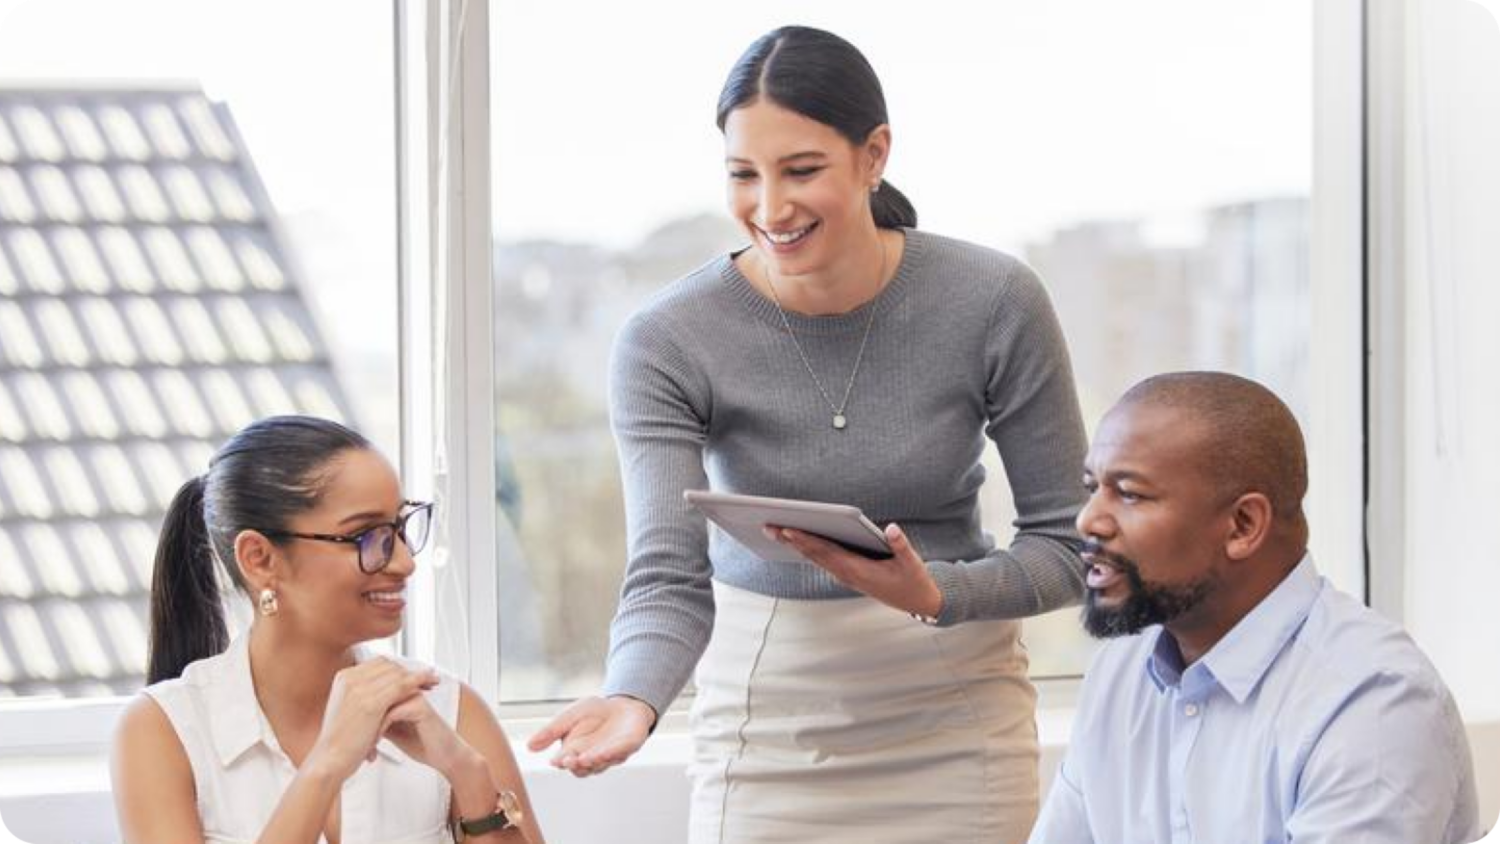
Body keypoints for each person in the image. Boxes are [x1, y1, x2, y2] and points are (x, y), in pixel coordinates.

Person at [528, 25, 1089, 844]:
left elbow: (1070, 546)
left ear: (874, 155)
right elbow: (667, 577)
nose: (770, 207)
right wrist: (632, 696)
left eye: (802, 170)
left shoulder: (993, 299)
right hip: (769, 713)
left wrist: (937, 593)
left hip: (954, 708)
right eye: (743, 175)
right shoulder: (667, 340)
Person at [1029, 372, 1481, 844]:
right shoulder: (1120, 675)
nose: (1088, 520)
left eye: (1129, 493)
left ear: (1243, 525)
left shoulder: (1373, 703)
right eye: (1092, 488)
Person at [111, 416, 545, 844]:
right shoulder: (160, 732)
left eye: (399, 528)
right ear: (260, 559)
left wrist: (468, 776)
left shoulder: (450, 711)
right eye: (366, 537)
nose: (404, 562)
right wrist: (327, 765)